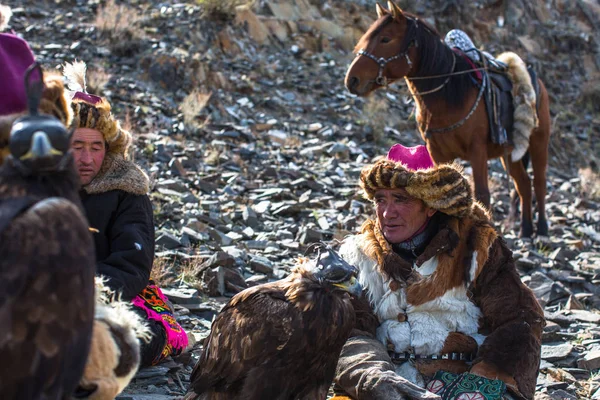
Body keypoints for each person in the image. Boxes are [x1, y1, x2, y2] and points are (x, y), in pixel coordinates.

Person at [332, 144, 545, 400]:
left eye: (401, 199)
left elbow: (520, 321)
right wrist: (372, 376)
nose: (387, 213)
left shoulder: (476, 247)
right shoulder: (359, 256)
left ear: (430, 205)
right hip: (385, 387)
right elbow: (349, 331)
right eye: (381, 200)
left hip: (462, 382)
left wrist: (482, 380)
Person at [64, 61, 188, 366]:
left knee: (126, 339)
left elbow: (132, 264)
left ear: (109, 148)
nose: (87, 158)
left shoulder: (126, 190)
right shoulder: (34, 184)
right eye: (77, 145)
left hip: (111, 296)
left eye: (96, 147)